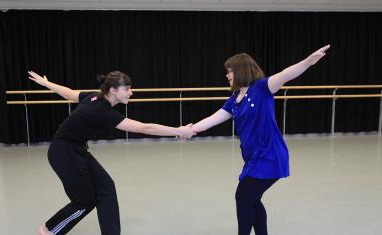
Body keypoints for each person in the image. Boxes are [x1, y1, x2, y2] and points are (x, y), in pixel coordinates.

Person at [28, 70, 195, 235]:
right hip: (64, 153)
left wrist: (47, 83)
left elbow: (69, 93)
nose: (131, 92)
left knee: (106, 187)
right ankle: (49, 230)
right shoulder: (103, 111)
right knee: (85, 201)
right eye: (127, 89)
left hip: (76, 149)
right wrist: (179, 130)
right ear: (113, 90)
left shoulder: (95, 97)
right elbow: (145, 128)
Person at [191, 45, 330, 235]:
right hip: (254, 158)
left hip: (270, 155)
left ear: (241, 71)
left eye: (230, 72)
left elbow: (285, 74)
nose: (227, 76)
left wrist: (308, 61)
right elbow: (212, 119)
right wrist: (188, 130)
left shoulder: (262, 88)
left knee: (243, 196)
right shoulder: (234, 100)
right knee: (252, 199)